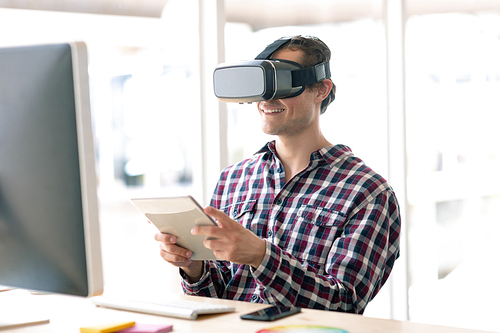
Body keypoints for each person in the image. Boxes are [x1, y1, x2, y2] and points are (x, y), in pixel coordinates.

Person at [154, 35, 401, 314]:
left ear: (321, 89)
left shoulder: (367, 192)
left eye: (282, 83)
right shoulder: (233, 179)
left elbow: (345, 304)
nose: (267, 99)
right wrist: (193, 267)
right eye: (262, 87)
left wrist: (261, 256)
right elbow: (219, 295)